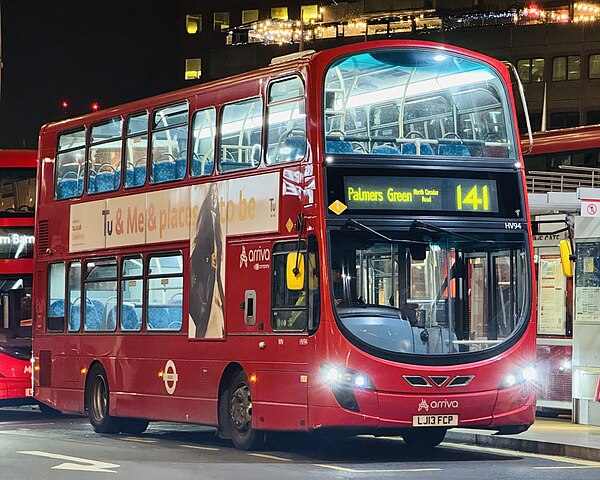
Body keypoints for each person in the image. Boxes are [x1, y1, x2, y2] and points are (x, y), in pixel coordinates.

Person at [189, 183, 225, 338]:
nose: (215, 195)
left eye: (217, 192)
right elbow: (196, 258)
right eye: (213, 192)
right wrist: (207, 260)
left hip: (214, 287)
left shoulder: (216, 220)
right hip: (208, 289)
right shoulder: (207, 218)